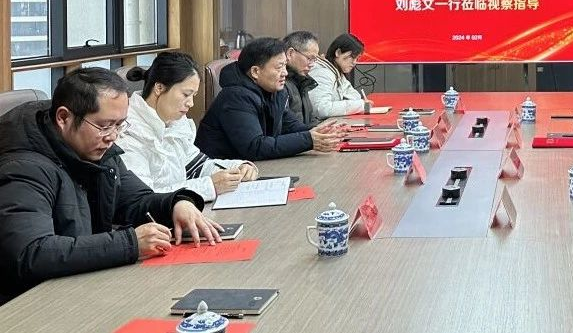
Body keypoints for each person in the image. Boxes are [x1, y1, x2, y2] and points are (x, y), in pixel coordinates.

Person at [0, 68, 221, 305]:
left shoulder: (97, 150)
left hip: (80, 285)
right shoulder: (23, 167)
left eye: (119, 125)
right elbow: (32, 253)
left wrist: (176, 203)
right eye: (105, 126)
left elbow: (135, 200)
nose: (113, 136)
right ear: (63, 118)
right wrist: (129, 244)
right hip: (29, 303)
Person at [116, 52, 258, 203]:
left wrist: (238, 167)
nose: (191, 103)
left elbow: (197, 166)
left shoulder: (174, 122)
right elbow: (144, 198)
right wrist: (210, 186)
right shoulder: (126, 131)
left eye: (193, 96)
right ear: (159, 87)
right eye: (186, 94)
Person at [195, 37, 342, 161]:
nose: (285, 73)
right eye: (279, 67)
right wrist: (308, 140)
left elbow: (291, 126)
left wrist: (321, 133)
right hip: (223, 174)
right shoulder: (235, 97)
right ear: (255, 71)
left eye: (285, 66)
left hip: (255, 167)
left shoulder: (274, 91)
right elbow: (255, 147)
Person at [309, 33, 376, 118]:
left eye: (357, 58)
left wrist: (359, 104)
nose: (354, 62)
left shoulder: (336, 72)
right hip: (318, 125)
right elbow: (321, 109)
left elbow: (356, 97)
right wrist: (359, 105)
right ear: (338, 53)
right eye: (352, 57)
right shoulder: (322, 73)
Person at [282, 31, 321, 129]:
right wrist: (311, 134)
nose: (312, 64)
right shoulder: (280, 83)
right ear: (290, 53)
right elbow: (286, 127)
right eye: (309, 58)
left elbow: (310, 120)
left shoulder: (302, 81)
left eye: (314, 60)